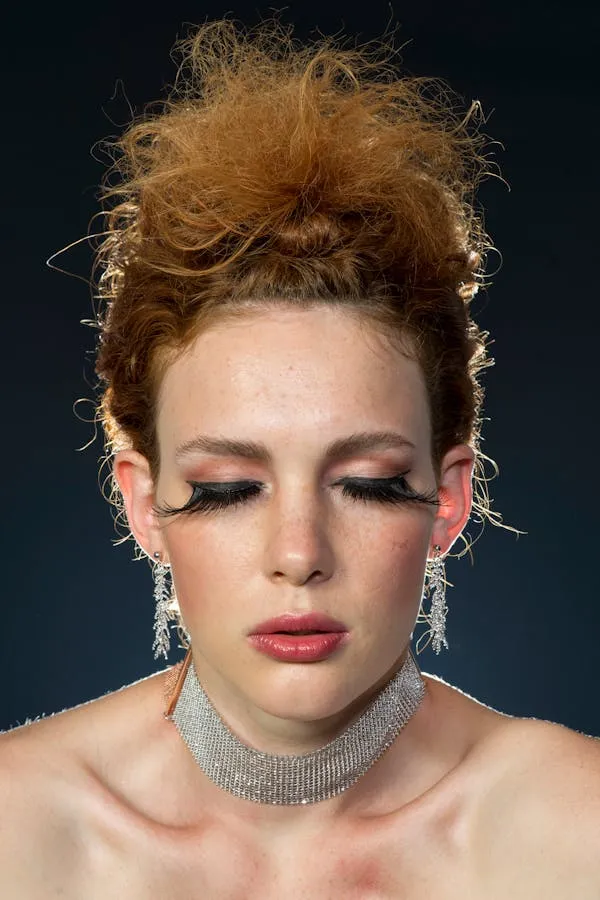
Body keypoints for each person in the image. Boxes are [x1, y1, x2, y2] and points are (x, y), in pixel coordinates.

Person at [1, 17, 599, 898]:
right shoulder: (19, 827)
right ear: (142, 502)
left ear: (448, 497)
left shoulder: (576, 830)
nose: (298, 554)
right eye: (228, 489)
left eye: (366, 483)